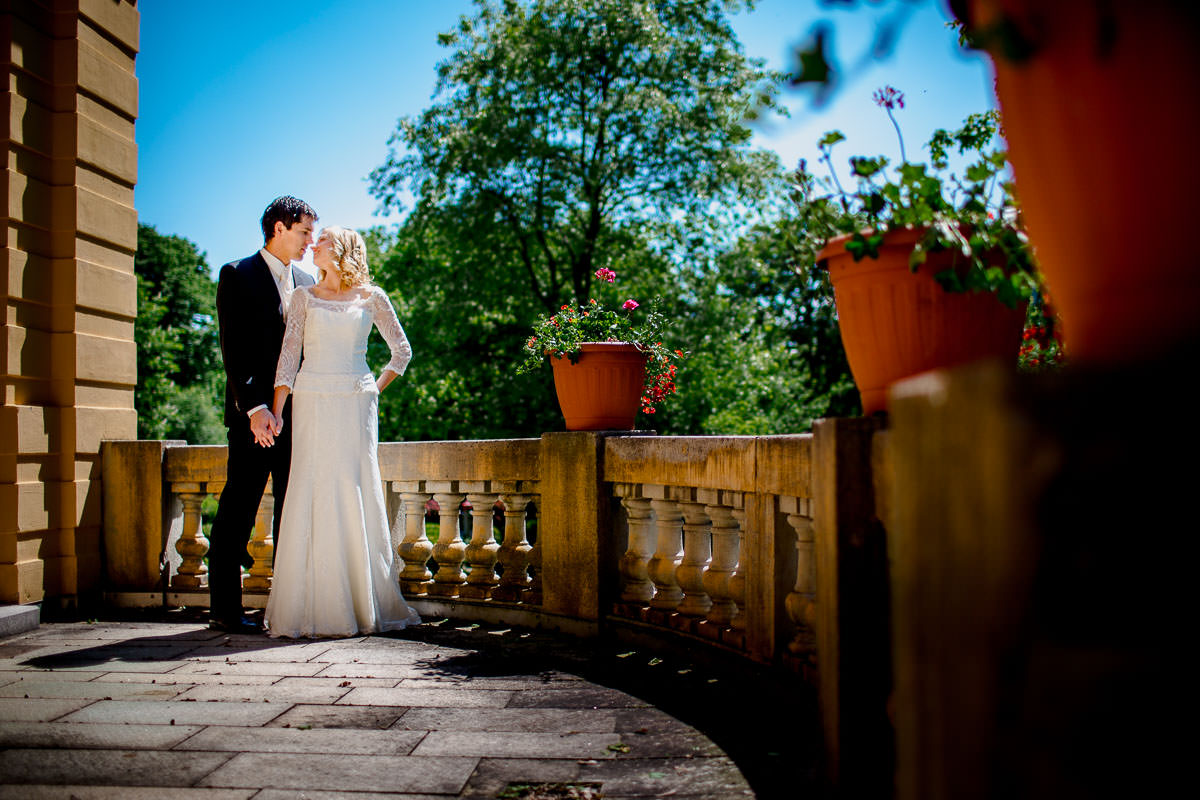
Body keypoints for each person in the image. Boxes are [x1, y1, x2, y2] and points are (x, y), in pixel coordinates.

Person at [264, 226, 420, 638]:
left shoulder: (373, 297)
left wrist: (372, 389)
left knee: (354, 486)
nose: (313, 245)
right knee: (310, 488)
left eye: (324, 240)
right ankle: (308, 606)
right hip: (311, 400)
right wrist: (277, 412)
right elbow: (287, 358)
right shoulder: (303, 297)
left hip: (355, 403)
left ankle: (363, 601)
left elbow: (401, 351)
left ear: (345, 250)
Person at [209, 196, 317, 633]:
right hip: (252, 419)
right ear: (278, 227)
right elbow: (233, 349)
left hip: (298, 418)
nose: (311, 240)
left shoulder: (309, 280)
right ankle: (224, 611)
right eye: (305, 231)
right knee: (238, 509)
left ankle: (287, 607)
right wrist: (255, 409)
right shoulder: (238, 274)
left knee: (292, 514)